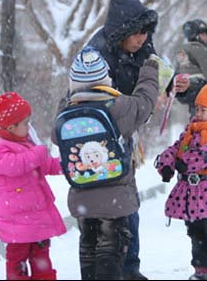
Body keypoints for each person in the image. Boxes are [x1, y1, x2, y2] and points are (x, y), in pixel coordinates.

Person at [52, 48, 159, 279]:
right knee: (110, 252)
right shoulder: (120, 106)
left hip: (83, 200)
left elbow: (55, 136)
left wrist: (70, 95)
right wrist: (149, 71)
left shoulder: (67, 110)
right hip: (116, 200)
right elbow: (146, 101)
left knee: (88, 249)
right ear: (105, 79)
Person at [86, 0, 159, 280]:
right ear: (123, 30)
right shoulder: (97, 54)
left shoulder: (140, 46)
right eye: (137, 33)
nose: (142, 38)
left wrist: (162, 88)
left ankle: (129, 269)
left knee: (127, 205)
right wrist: (140, 106)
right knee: (111, 210)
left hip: (126, 132)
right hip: (102, 137)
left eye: (145, 32)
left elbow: (154, 70)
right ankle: (117, 271)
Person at [0, 92, 66, 280]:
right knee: (16, 261)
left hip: (37, 216)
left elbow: (45, 164)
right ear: (11, 126)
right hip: (16, 221)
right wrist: (38, 152)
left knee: (42, 259)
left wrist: (68, 165)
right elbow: (15, 165)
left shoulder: (23, 141)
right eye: (26, 123)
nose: (29, 127)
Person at [154, 78, 207, 280]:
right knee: (196, 234)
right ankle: (201, 269)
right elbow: (176, 148)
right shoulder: (191, 130)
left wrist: (189, 162)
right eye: (197, 108)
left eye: (204, 110)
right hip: (191, 195)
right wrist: (166, 164)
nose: (198, 113)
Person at [175, 19, 207, 117]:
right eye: (204, 34)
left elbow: (177, 70)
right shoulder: (200, 49)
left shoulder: (183, 49)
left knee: (195, 115)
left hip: (186, 91)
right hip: (200, 88)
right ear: (198, 36)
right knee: (205, 118)